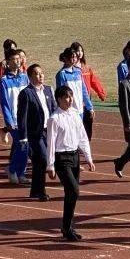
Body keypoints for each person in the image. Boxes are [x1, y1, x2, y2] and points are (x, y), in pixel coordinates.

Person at [46, 85, 96, 241]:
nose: (69, 100)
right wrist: (50, 165)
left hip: (74, 157)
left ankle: (67, 227)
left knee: (71, 194)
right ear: (59, 99)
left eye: (71, 96)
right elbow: (51, 143)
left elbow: (82, 136)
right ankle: (67, 226)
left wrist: (88, 157)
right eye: (66, 97)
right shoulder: (54, 119)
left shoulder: (75, 114)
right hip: (62, 159)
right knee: (74, 191)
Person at [17, 64, 56, 201]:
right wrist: (23, 137)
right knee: (43, 158)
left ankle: (35, 191)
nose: (40, 76)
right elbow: (22, 117)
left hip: (48, 131)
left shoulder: (48, 90)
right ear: (30, 77)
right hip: (36, 134)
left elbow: (53, 109)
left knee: (40, 163)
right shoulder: (26, 93)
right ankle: (41, 191)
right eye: (37, 74)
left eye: (42, 73)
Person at [0, 51, 30, 185]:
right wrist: (9, 121)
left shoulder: (25, 77)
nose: (17, 61)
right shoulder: (4, 81)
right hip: (14, 120)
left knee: (24, 146)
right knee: (22, 144)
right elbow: (4, 103)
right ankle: (12, 169)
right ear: (8, 62)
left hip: (26, 118)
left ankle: (20, 172)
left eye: (19, 59)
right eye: (14, 59)